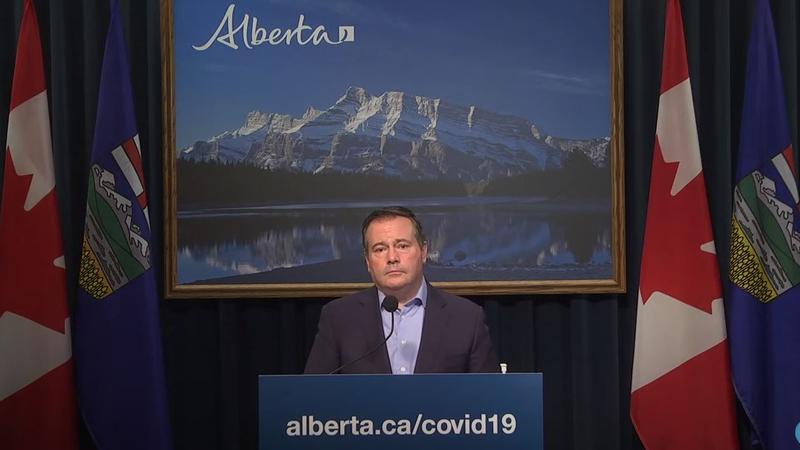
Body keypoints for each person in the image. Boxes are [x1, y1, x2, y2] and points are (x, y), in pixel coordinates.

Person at [304, 206, 499, 374]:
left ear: (423, 252)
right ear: (368, 261)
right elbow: (314, 395)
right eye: (380, 249)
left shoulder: (466, 318)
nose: (392, 258)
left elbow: (488, 396)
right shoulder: (338, 318)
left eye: (402, 246)